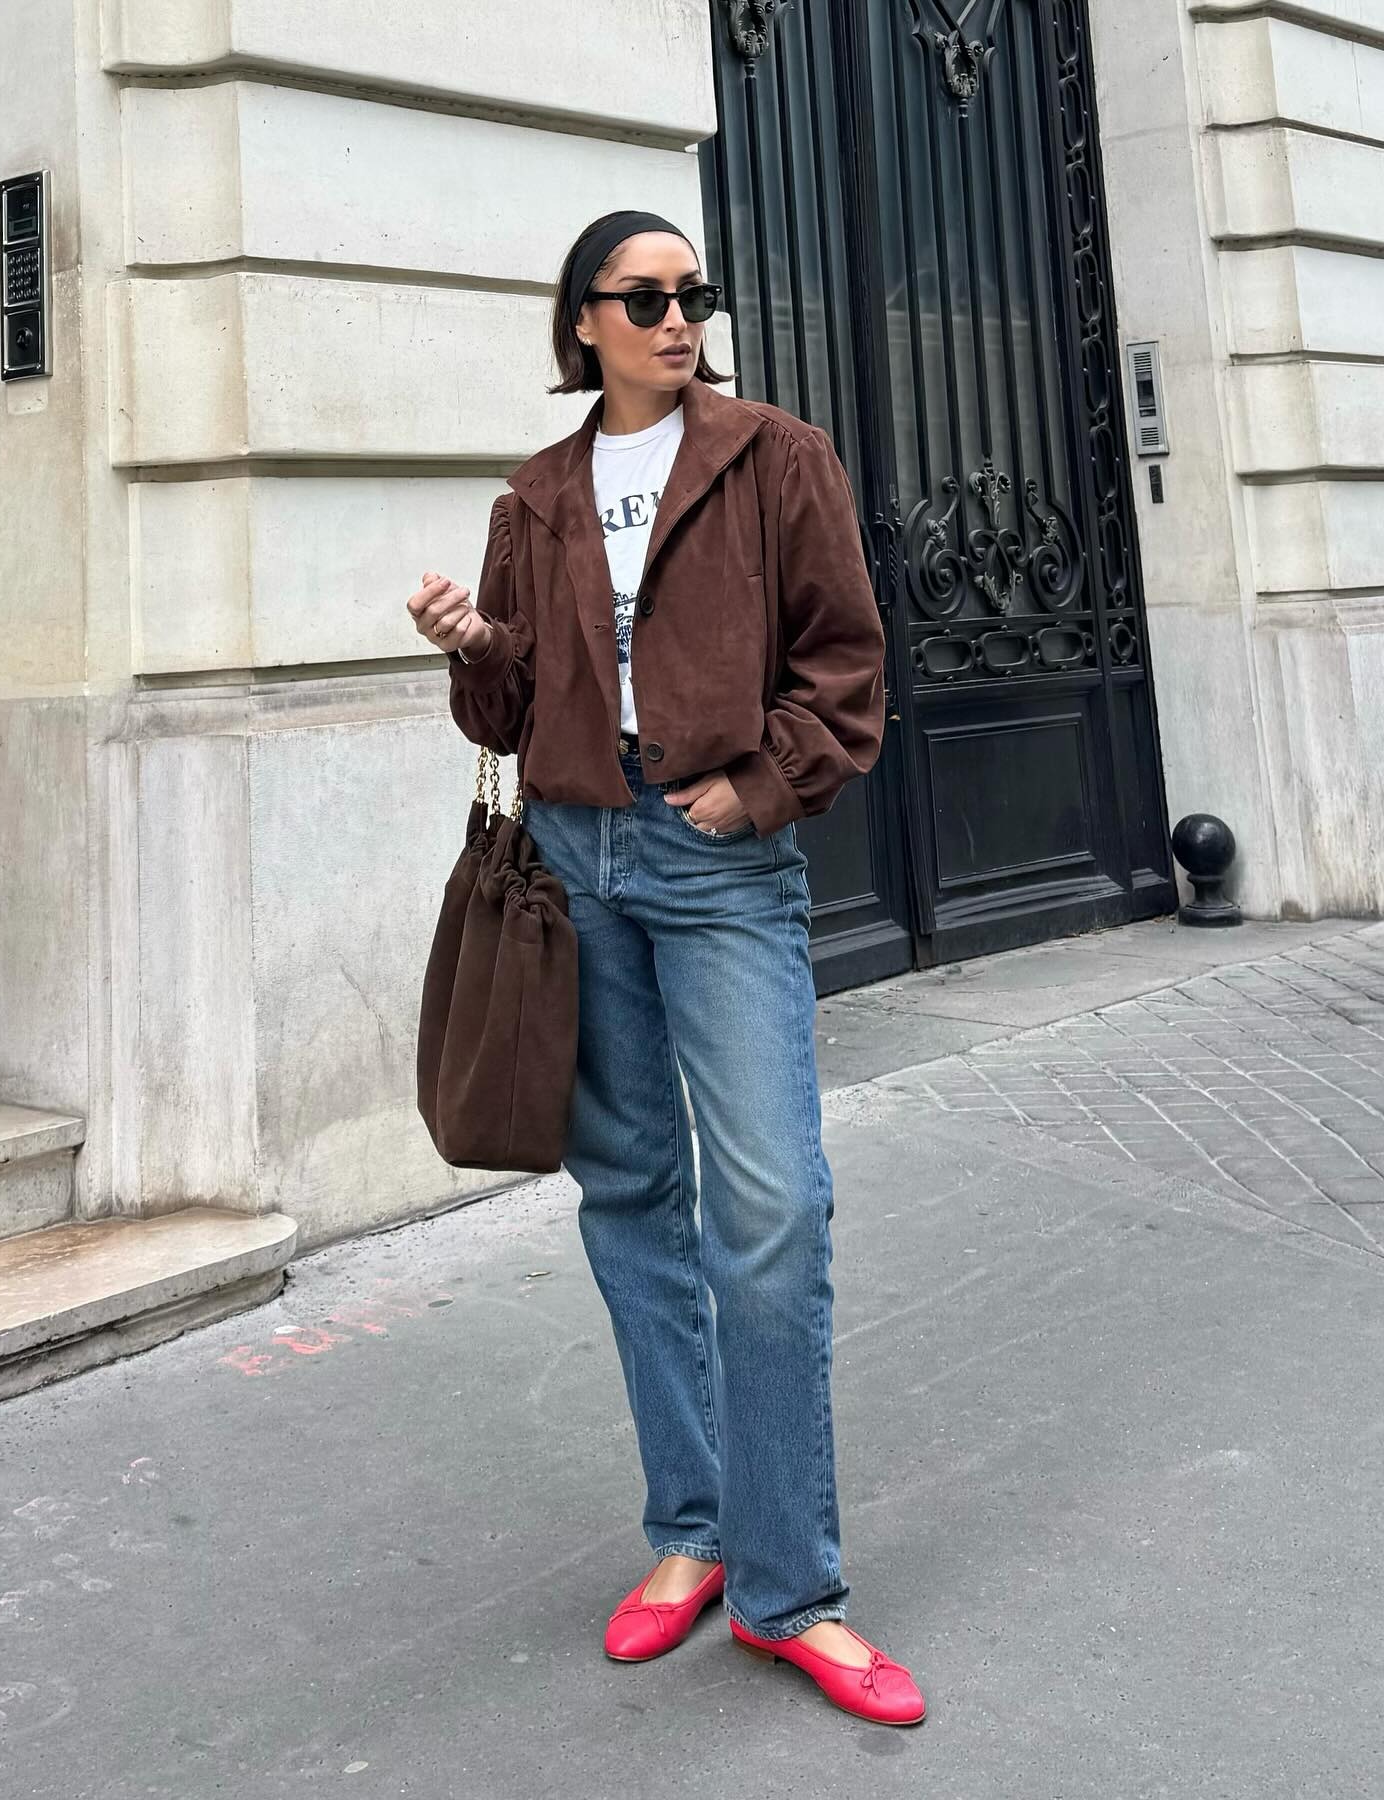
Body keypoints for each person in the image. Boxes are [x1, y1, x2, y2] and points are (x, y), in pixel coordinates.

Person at [406, 209, 924, 1726]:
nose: (676, 317)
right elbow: (509, 715)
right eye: (643, 299)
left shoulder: (775, 456)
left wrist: (758, 787)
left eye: (692, 294)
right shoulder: (540, 494)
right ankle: (692, 1532)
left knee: (771, 1205)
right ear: (582, 323)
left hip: (716, 864)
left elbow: (846, 660)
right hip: (577, 862)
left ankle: (790, 1589)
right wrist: (468, 643)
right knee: (632, 1192)